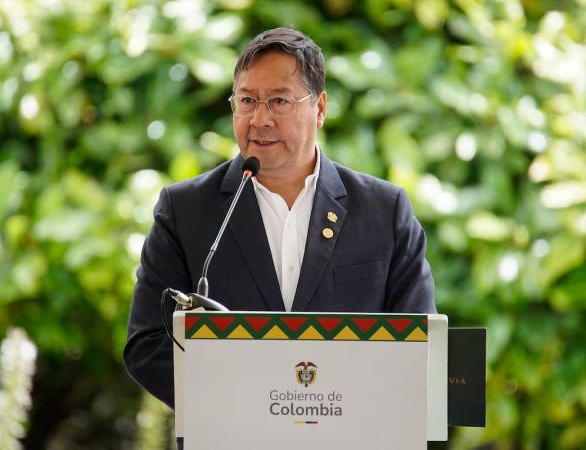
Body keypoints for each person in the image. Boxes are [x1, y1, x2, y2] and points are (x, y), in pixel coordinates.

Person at [123, 28, 436, 408]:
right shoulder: (185, 210)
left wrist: (328, 404)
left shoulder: (384, 211)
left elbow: (420, 343)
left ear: (319, 109)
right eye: (247, 100)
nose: (260, 119)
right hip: (232, 430)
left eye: (279, 101)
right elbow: (147, 344)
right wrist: (255, 403)